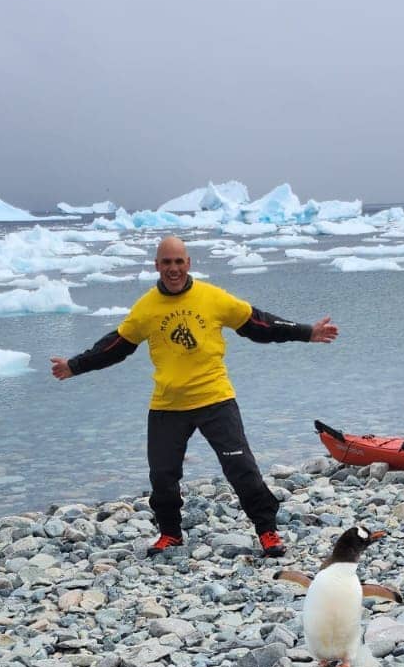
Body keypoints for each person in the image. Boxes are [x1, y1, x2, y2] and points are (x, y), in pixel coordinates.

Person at [51, 236, 337, 558]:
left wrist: (306, 332)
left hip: (215, 399)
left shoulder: (212, 297)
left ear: (188, 263)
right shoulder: (146, 308)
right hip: (168, 405)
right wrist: (75, 366)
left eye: (178, 262)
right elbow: (115, 346)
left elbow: (259, 324)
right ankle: (170, 534)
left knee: (241, 468)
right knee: (162, 476)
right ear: (156, 266)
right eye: (166, 262)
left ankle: (267, 531)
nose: (173, 269)